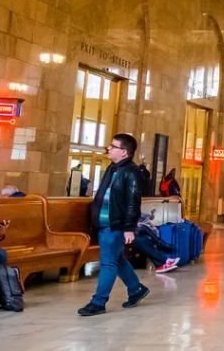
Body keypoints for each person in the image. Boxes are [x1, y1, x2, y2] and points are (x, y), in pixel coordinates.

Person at [78, 133, 149, 317]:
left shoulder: (131, 172)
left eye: (113, 146)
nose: (108, 148)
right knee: (117, 260)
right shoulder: (112, 168)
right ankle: (135, 289)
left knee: (108, 263)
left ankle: (98, 302)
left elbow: (133, 202)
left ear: (124, 152)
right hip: (102, 224)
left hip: (115, 225)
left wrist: (129, 228)